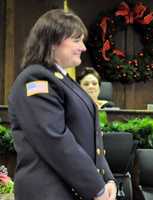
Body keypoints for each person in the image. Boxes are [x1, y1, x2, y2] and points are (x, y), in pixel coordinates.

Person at [8, 9, 117, 200]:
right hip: (48, 192)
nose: (83, 47)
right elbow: (55, 141)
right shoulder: (36, 80)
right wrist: (96, 188)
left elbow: (90, 140)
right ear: (52, 42)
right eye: (77, 40)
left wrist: (107, 179)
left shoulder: (63, 81)